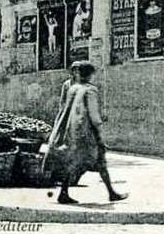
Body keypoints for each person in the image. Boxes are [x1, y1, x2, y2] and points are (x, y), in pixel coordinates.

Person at [43, 61, 128, 204]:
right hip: (87, 134)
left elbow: (64, 110)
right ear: (90, 74)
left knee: (73, 162)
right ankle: (111, 193)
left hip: (73, 133)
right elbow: (94, 117)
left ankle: (64, 193)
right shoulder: (91, 90)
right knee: (100, 161)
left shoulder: (72, 88)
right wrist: (100, 136)